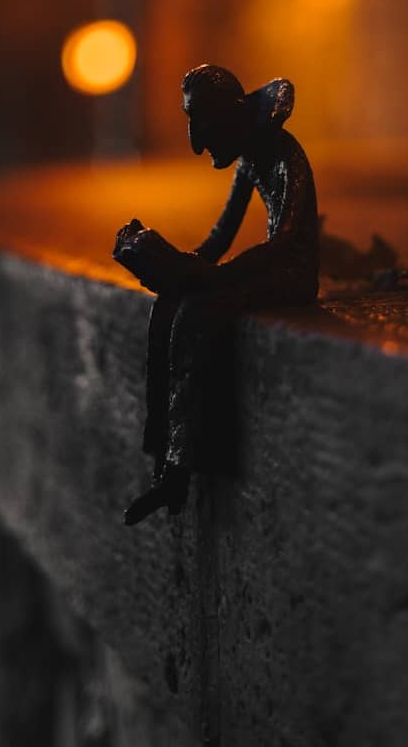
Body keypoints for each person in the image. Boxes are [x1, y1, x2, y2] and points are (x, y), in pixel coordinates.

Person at [114, 64, 320, 525]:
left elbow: (284, 244)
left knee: (198, 313)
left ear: (233, 114)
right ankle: (164, 455)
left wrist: (215, 278)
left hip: (292, 276)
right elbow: (220, 236)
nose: (196, 139)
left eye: (201, 121)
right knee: (169, 303)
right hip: (265, 267)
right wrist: (176, 262)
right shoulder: (250, 159)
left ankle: (183, 464)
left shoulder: (285, 157)